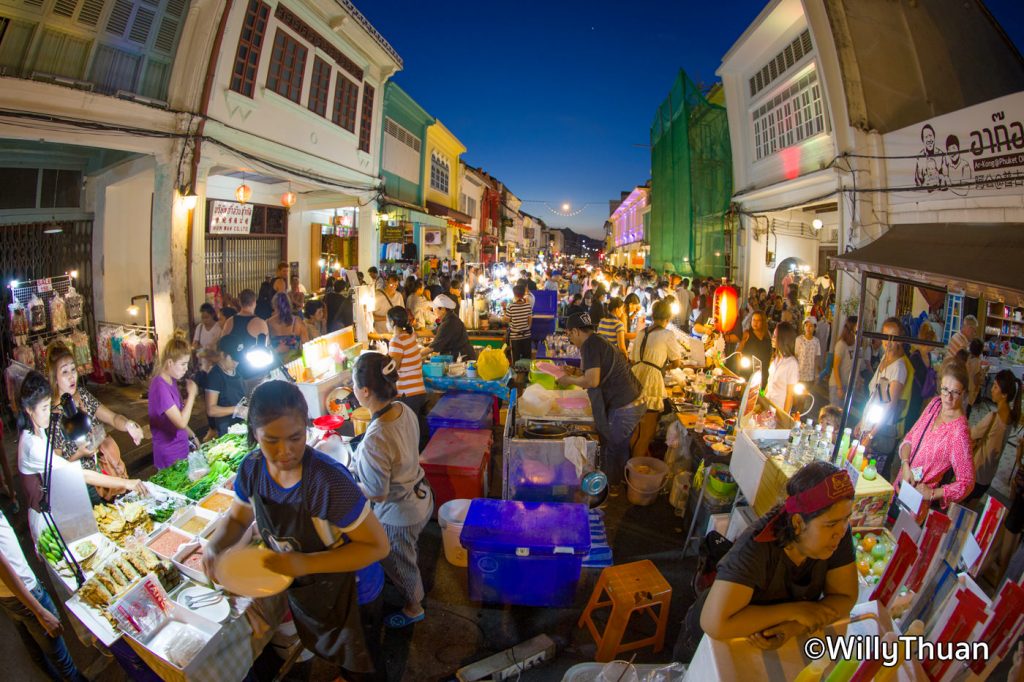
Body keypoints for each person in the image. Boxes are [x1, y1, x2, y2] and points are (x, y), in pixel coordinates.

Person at [203, 381, 389, 679]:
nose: (285, 451)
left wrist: (306, 563)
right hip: (311, 592)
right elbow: (238, 520)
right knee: (336, 655)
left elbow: (377, 546)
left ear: (306, 427)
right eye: (271, 440)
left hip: (355, 595)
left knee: (364, 667)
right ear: (254, 434)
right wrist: (215, 545)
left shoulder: (328, 483)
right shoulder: (251, 470)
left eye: (295, 437)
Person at [675, 462, 857, 661]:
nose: (840, 531)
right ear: (797, 523)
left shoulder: (838, 534)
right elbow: (714, 623)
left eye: (846, 519)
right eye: (831, 524)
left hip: (760, 643)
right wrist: (795, 611)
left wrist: (795, 626)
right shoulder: (756, 547)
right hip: (709, 641)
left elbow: (845, 597)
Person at [351, 353, 432, 630]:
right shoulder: (403, 409)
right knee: (408, 552)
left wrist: (350, 484)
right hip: (422, 496)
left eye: (353, 384)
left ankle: (414, 607)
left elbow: (376, 493)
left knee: (400, 566)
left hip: (400, 515)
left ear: (364, 391)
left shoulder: (376, 438)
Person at [18, 371, 146, 539]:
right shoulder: (31, 445)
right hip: (45, 518)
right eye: (43, 408)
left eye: (48, 406)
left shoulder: (39, 427)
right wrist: (126, 483)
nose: (48, 413)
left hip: (59, 507)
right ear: (29, 410)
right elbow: (80, 473)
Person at [556, 313, 645, 490]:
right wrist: (575, 372)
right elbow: (593, 374)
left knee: (611, 447)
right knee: (619, 446)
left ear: (576, 331)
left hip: (625, 404)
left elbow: (592, 381)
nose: (571, 339)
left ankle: (608, 489)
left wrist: (568, 380)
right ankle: (618, 484)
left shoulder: (589, 345)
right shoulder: (597, 341)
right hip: (633, 400)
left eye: (570, 334)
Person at [0, 506, 88, 682]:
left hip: (8, 597)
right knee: (63, 662)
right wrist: (39, 611)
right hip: (25, 593)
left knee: (40, 656)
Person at [47, 342, 142, 504]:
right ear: (54, 378)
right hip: (84, 485)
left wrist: (129, 425)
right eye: (64, 372)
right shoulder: (54, 416)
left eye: (73, 369)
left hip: (106, 471)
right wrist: (80, 454)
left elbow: (112, 418)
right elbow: (57, 467)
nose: (72, 376)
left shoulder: (82, 395)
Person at [893, 358, 974, 512]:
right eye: (944, 389)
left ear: (963, 393)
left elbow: (967, 482)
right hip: (899, 484)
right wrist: (905, 465)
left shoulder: (959, 431)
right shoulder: (935, 404)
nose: (948, 398)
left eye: (955, 392)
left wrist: (932, 493)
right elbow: (910, 437)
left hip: (915, 503)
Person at [629, 300, 681, 459]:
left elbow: (632, 359)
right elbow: (676, 362)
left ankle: (629, 465)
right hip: (651, 382)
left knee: (636, 430)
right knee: (647, 433)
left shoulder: (641, 332)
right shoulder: (667, 334)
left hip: (634, 378)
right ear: (668, 317)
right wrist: (661, 367)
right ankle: (634, 474)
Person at [857, 318, 908, 476]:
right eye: (886, 336)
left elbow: (888, 405)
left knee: (869, 475)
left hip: (880, 432)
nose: (889, 341)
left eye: (894, 337)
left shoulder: (899, 367)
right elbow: (874, 396)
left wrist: (871, 434)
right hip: (869, 426)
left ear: (900, 340)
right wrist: (862, 421)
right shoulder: (884, 361)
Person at [966, 370, 1020, 504]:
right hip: (988, 475)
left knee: (958, 509)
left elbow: (971, 434)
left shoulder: (993, 417)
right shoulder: (1011, 417)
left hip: (976, 472)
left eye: (995, 386)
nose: (991, 389)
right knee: (970, 509)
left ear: (1004, 394)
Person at [148, 332, 198, 470]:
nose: (186, 369)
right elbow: (181, 422)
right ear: (170, 363)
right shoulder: (160, 386)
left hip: (181, 446)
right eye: (183, 364)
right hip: (169, 453)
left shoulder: (171, 380)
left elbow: (178, 414)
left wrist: (192, 436)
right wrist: (192, 395)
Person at [386, 307, 428, 425]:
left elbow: (394, 368)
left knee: (408, 430)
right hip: (419, 391)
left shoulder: (396, 341)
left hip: (407, 394)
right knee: (417, 429)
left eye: (386, 320)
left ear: (392, 322)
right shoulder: (410, 336)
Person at [205, 337, 247, 437]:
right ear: (222, 354)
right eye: (233, 359)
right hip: (227, 431)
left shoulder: (237, 371)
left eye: (238, 359)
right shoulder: (215, 376)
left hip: (242, 425)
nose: (236, 363)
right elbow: (211, 410)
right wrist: (237, 410)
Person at [219, 289, 270, 353]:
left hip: (233, 360)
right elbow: (266, 345)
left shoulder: (229, 321)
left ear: (239, 302)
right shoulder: (260, 323)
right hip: (252, 361)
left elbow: (223, 344)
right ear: (254, 303)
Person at [766, 322, 800, 414]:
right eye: (773, 335)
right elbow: (769, 383)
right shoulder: (775, 358)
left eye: (775, 336)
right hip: (768, 407)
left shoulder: (791, 364)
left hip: (779, 410)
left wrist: (783, 417)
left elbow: (790, 395)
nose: (772, 339)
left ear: (783, 339)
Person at [428, 295, 475, 360]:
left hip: (462, 359)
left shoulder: (448, 323)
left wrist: (417, 354)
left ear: (442, 309)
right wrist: (416, 334)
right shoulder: (450, 317)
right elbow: (433, 332)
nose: (433, 311)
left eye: (434, 308)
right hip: (462, 356)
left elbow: (432, 347)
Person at [829, 316, 858, 408]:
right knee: (835, 415)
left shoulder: (856, 344)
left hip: (849, 385)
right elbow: (836, 367)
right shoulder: (841, 344)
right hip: (839, 385)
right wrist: (839, 387)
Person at [192, 303, 222, 387]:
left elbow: (217, 348)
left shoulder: (218, 328)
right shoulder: (200, 327)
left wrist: (202, 351)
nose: (204, 320)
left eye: (207, 317)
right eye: (203, 318)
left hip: (213, 364)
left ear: (212, 315)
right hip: (202, 365)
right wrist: (204, 352)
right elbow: (194, 344)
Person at [737, 310, 773, 380]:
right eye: (753, 320)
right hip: (748, 370)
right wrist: (740, 365)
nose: (755, 323)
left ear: (763, 322)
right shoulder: (747, 334)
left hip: (763, 370)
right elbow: (738, 351)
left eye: (758, 320)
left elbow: (770, 353)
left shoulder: (767, 335)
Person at [503, 284, 533, 365]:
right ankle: (527, 375)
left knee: (516, 360)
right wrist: (526, 328)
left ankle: (517, 376)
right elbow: (530, 321)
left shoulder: (511, 307)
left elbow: (506, 320)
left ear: (514, 294)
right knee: (527, 358)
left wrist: (504, 309)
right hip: (526, 336)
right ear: (523, 294)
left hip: (515, 337)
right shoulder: (528, 306)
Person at [795, 317, 822, 385]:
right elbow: (795, 356)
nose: (808, 328)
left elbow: (817, 359)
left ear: (814, 328)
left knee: (808, 394)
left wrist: (816, 375)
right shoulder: (799, 339)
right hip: (799, 374)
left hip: (810, 376)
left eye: (811, 326)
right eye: (806, 325)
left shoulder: (816, 341)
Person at [965, 339, 985, 414]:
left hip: (964, 388)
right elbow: (977, 379)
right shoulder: (977, 362)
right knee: (967, 411)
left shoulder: (968, 358)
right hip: (971, 391)